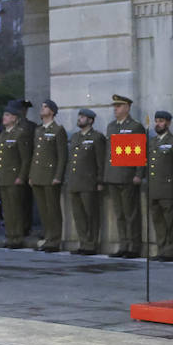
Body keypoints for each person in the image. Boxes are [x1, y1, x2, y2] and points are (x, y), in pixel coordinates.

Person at [104, 95, 146, 258]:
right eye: (115, 106)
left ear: (127, 108)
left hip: (127, 176)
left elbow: (140, 151)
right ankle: (123, 244)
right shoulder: (111, 126)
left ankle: (133, 246)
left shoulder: (135, 126)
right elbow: (108, 153)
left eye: (119, 106)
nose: (116, 109)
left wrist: (138, 174)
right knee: (119, 214)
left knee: (131, 214)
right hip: (113, 175)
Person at [28, 99, 67, 252]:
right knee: (43, 210)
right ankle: (47, 237)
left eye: (45, 107)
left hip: (51, 176)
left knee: (53, 210)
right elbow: (35, 155)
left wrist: (58, 176)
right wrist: (31, 175)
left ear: (51, 111)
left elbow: (62, 156)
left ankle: (55, 240)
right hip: (38, 175)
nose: (42, 109)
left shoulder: (58, 130)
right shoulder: (38, 130)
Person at [67, 108, 106, 255]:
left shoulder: (97, 137)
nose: (79, 119)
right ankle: (83, 242)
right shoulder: (75, 137)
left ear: (90, 120)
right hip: (74, 182)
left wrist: (100, 180)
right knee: (79, 216)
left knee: (91, 215)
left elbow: (100, 161)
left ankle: (91, 244)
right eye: (79, 116)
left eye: (83, 117)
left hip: (89, 182)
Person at [148, 110, 173, 261]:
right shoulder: (152, 142)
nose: (158, 124)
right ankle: (162, 248)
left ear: (168, 123)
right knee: (158, 222)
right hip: (154, 188)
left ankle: (170, 251)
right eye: (156, 121)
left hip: (168, 189)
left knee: (171, 222)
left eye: (161, 121)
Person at [0, 100, 33, 249]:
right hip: (5, 176)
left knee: (16, 208)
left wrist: (21, 176)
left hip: (14, 176)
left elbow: (25, 159)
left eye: (7, 115)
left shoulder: (20, 133)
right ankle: (10, 236)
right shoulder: (3, 134)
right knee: (8, 209)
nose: (3, 117)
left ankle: (17, 236)